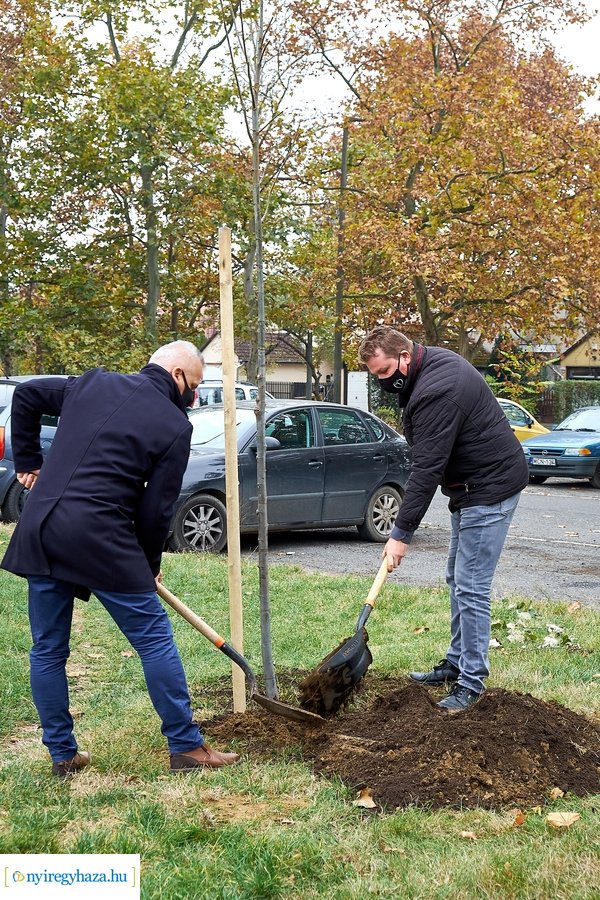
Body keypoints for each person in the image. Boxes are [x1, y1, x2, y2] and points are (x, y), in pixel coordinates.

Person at [1, 341, 241, 775]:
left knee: (48, 648)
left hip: (41, 526)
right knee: (154, 639)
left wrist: (29, 461)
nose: (193, 396)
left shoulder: (93, 383)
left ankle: (62, 755)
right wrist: (149, 565)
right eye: (194, 385)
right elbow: (157, 509)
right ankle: (186, 747)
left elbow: (28, 393)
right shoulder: (173, 425)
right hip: (101, 537)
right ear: (177, 376)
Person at [359, 326, 528, 711]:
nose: (382, 381)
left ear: (404, 356)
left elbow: (426, 469)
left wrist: (400, 533)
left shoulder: (439, 389)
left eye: (384, 372)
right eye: (375, 375)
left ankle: (471, 682)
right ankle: (456, 662)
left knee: (471, 585)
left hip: (490, 488)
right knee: (458, 577)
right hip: (470, 487)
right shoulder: (427, 367)